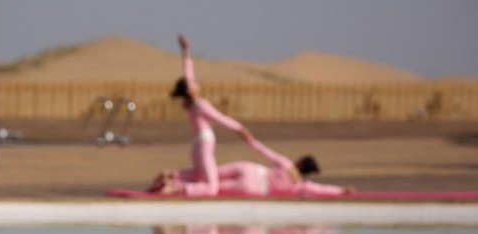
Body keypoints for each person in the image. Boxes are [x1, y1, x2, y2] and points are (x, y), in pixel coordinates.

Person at [151, 34, 354, 198]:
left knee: (205, 177)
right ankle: (175, 186)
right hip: (222, 160)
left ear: (300, 162)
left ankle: (172, 177)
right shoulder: (299, 186)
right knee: (211, 187)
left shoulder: (192, 103)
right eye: (195, 85)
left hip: (247, 168)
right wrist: (340, 191)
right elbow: (317, 190)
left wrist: (186, 53)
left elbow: (265, 152)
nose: (198, 84)